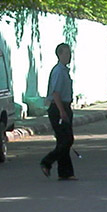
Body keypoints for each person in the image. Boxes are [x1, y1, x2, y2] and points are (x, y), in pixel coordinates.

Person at [41, 43, 77, 180]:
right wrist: (62, 111)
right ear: (59, 54)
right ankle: (46, 162)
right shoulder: (58, 71)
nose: (69, 56)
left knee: (63, 141)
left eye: (70, 53)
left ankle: (65, 172)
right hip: (58, 108)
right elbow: (55, 93)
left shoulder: (64, 71)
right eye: (66, 53)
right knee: (67, 140)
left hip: (64, 106)